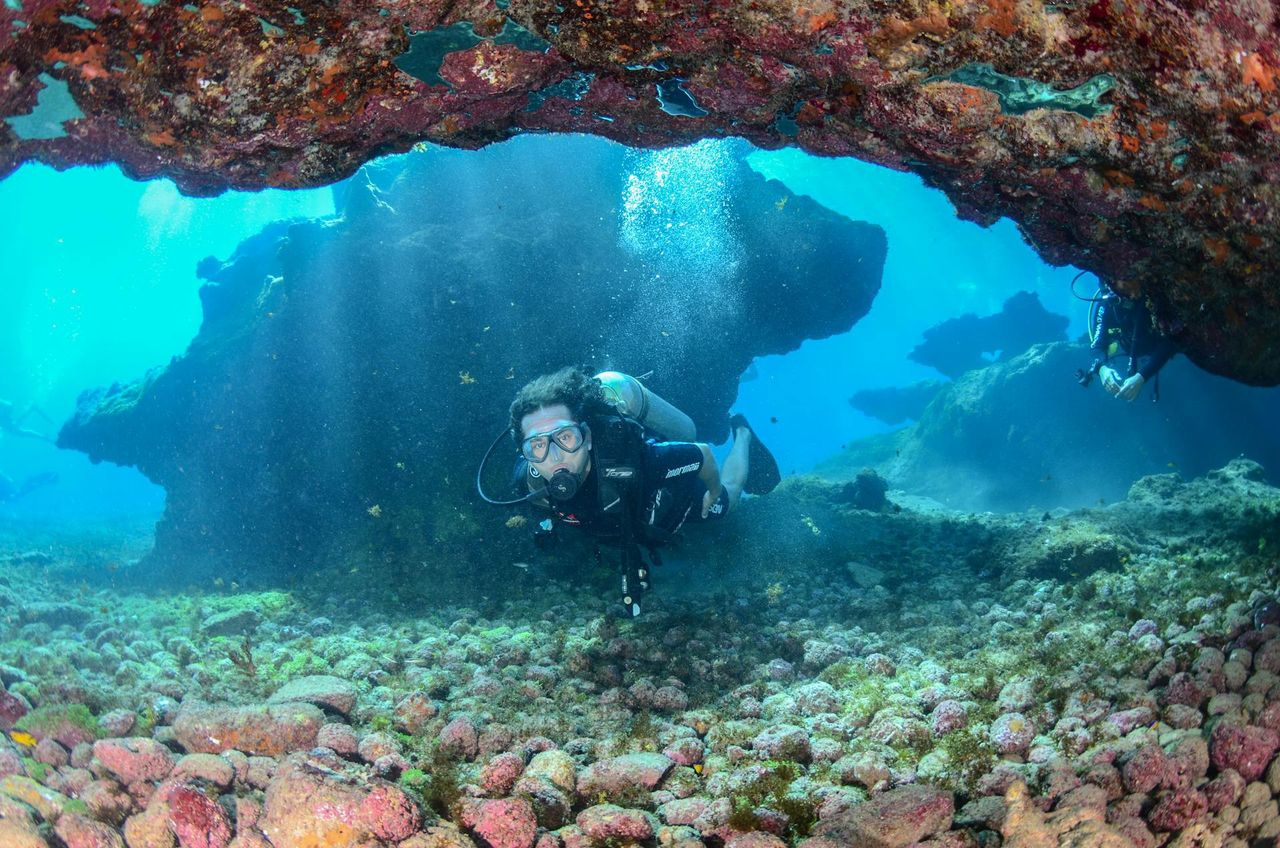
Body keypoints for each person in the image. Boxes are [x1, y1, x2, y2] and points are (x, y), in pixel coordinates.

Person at [505, 367, 779, 615]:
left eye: (565, 437)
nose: (555, 457)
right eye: (537, 445)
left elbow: (703, 454)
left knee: (729, 502)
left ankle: (742, 433)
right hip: (627, 523)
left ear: (586, 438)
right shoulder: (529, 485)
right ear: (525, 455)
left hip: (678, 499)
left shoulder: (636, 462)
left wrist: (714, 491)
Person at [1079, 285, 1179, 401]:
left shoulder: (1148, 298)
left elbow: (1172, 340)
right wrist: (1102, 369)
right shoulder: (1105, 306)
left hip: (1155, 346)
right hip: (1130, 349)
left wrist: (1142, 375)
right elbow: (1097, 345)